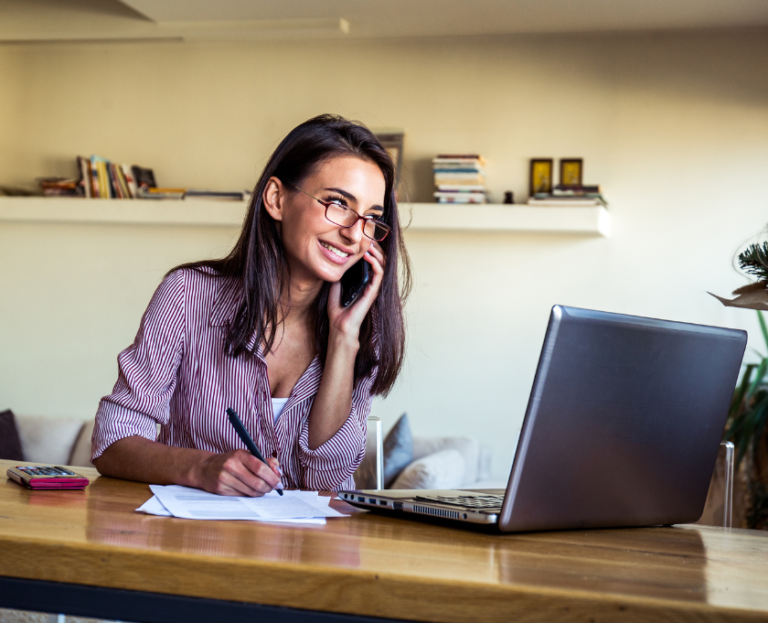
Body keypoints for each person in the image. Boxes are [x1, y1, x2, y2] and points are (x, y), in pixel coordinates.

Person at [92, 114, 410, 496]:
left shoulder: (361, 330)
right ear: (277, 199)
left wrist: (344, 339)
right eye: (337, 202)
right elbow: (112, 442)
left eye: (371, 218)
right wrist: (201, 467)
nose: (354, 234)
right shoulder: (187, 296)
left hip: (312, 554)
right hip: (196, 545)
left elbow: (328, 479)